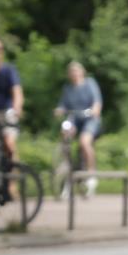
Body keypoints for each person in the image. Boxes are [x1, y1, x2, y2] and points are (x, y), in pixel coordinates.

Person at [54, 62, 103, 196]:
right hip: (75, 119)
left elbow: (97, 102)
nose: (74, 74)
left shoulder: (90, 83)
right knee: (65, 133)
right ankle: (67, 165)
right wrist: (59, 110)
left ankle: (91, 174)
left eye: (76, 71)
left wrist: (95, 109)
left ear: (82, 72)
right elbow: (62, 105)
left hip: (90, 119)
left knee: (84, 142)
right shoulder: (68, 88)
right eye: (71, 72)